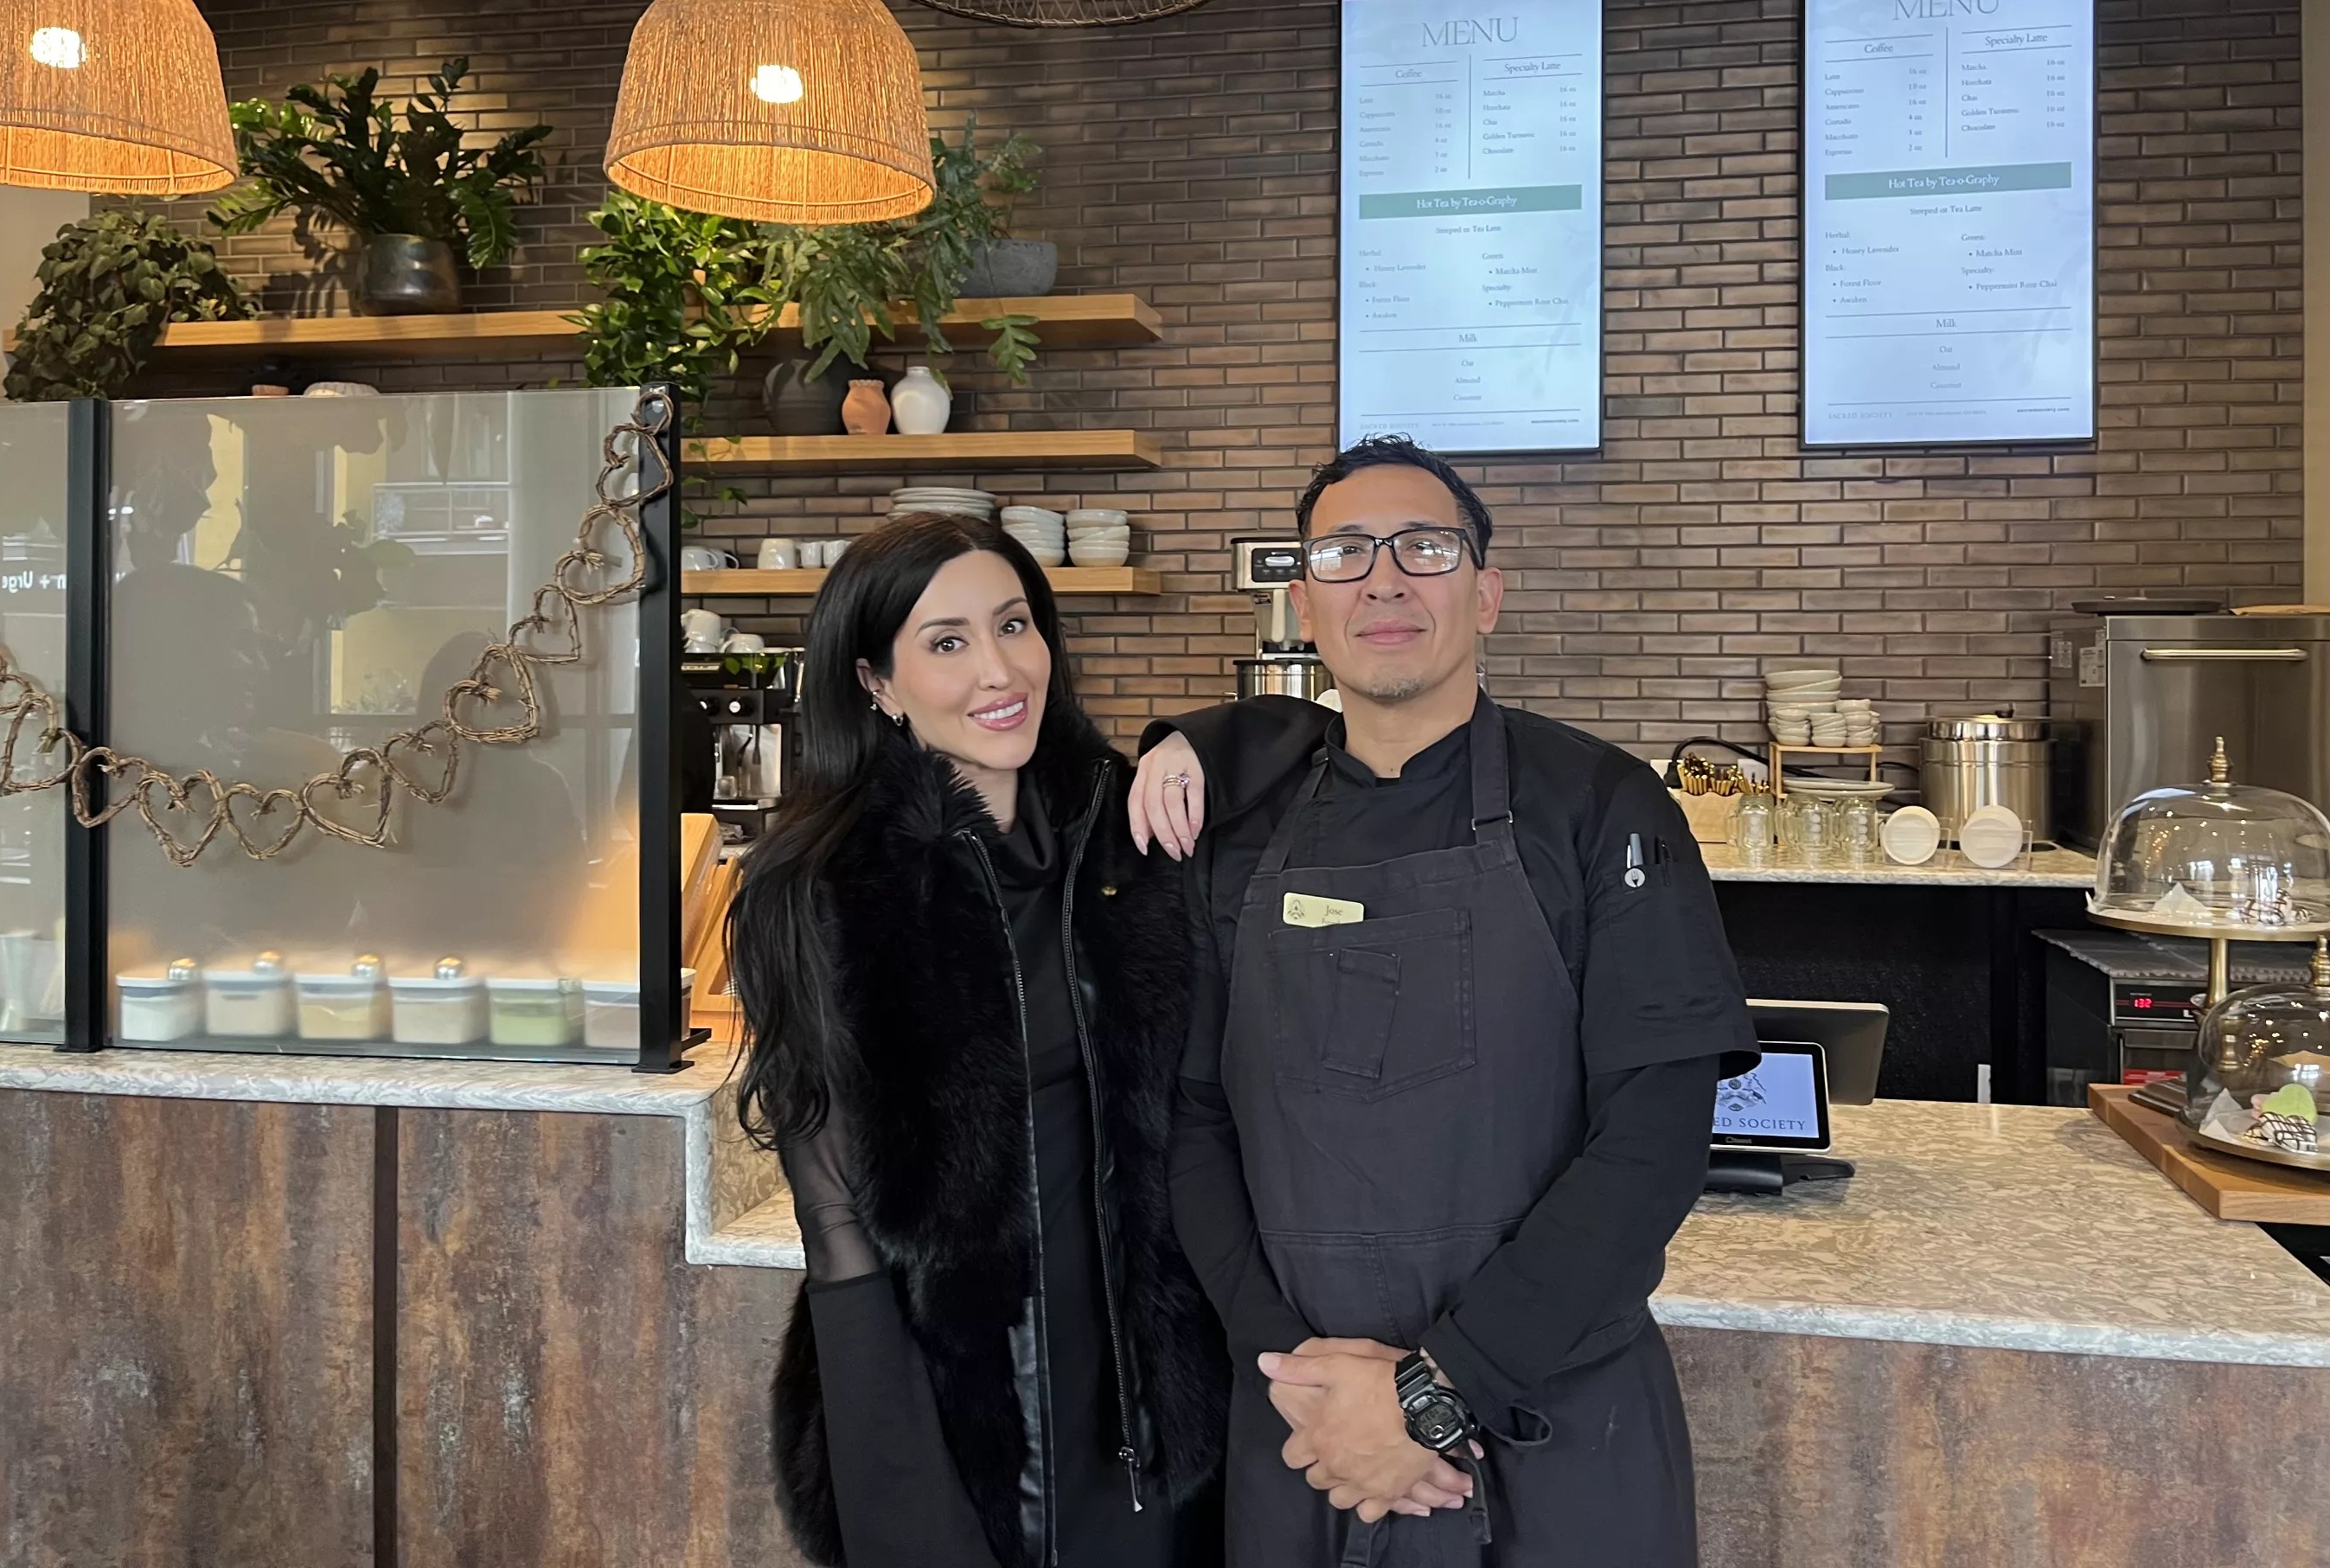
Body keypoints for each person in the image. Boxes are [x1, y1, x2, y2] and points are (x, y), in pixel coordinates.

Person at [1130, 435, 1759, 1565]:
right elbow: (1192, 1124)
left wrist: (1438, 1388)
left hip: (1553, 1420)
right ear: (1304, 605)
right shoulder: (1234, 835)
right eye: (1343, 553)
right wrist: (1300, 1378)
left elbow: (1656, 1140)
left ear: (1487, 593)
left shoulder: (1603, 807)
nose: (1383, 578)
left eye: (1425, 547)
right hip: (1307, 1435)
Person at [729, 513, 1226, 1568]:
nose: (1000, 670)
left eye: (1015, 625)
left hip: (1159, 1407)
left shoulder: (1125, 842)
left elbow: (1314, 745)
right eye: (947, 641)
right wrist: (907, 1509)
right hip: (966, 1423)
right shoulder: (826, 887)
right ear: (876, 682)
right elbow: (842, 1232)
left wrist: (1200, 738)